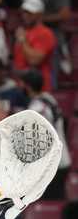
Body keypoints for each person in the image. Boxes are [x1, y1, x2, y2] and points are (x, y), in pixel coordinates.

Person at [19, 69, 71, 199]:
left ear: (28, 86)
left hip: (53, 165)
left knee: (49, 203)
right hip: (60, 161)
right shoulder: (49, 98)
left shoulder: (37, 108)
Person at [13, 0, 56, 91]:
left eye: (30, 13)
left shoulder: (45, 33)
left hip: (38, 88)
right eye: (24, 12)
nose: (25, 15)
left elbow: (34, 60)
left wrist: (23, 41)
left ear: (40, 14)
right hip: (22, 85)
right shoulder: (24, 31)